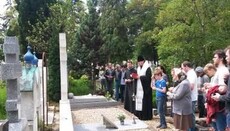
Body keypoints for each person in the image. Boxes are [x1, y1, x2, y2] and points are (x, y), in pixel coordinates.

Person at [211, 46, 230, 130]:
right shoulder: (219, 70)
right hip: (216, 103)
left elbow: (224, 89)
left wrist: (213, 90)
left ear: (221, 58)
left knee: (220, 128)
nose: (213, 59)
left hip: (220, 104)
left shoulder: (223, 70)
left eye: (215, 57)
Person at [134, 55, 153, 120]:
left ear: (143, 61)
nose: (139, 63)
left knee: (145, 102)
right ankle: (140, 115)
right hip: (139, 86)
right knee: (139, 102)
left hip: (145, 88)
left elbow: (148, 78)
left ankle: (146, 116)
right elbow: (137, 76)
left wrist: (140, 77)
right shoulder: (138, 68)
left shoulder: (147, 68)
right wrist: (135, 77)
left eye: (140, 62)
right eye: (138, 62)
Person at [181, 61, 198, 131]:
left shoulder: (191, 74)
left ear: (186, 66)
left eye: (182, 67)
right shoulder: (189, 74)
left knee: (190, 115)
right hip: (189, 98)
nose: (182, 69)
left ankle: (192, 129)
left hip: (191, 98)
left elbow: (191, 86)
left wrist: (181, 90)